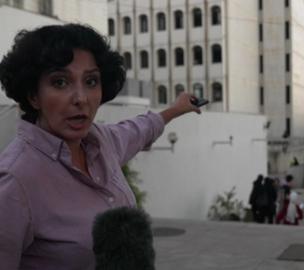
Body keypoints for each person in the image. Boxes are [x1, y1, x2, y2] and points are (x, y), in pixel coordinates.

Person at [0, 24, 201, 269]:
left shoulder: (103, 142)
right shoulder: (15, 181)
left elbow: (142, 127)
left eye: (91, 81)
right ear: (33, 95)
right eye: (60, 82)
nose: (81, 98)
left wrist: (177, 108)